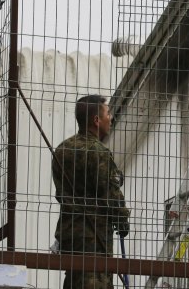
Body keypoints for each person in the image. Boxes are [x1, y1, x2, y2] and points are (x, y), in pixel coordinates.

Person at [52, 95, 130, 289]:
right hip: (95, 236)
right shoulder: (99, 153)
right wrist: (122, 221)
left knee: (73, 280)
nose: (110, 118)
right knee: (95, 281)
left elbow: (61, 191)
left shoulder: (62, 150)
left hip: (69, 232)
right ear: (96, 120)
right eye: (107, 113)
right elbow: (111, 196)